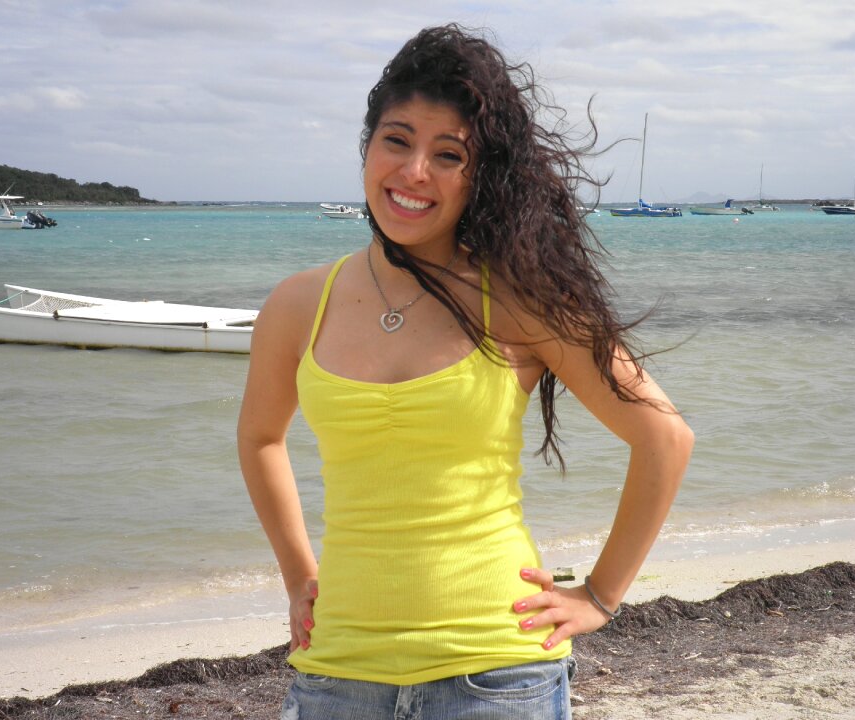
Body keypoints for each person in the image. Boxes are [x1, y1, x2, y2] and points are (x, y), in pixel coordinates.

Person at [238, 24, 693, 720]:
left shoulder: (518, 296)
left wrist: (600, 595)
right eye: (397, 140)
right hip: (334, 673)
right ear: (368, 147)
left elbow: (664, 438)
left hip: (495, 676)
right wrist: (299, 575)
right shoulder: (300, 304)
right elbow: (260, 437)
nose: (415, 171)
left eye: (448, 154)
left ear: (479, 176)